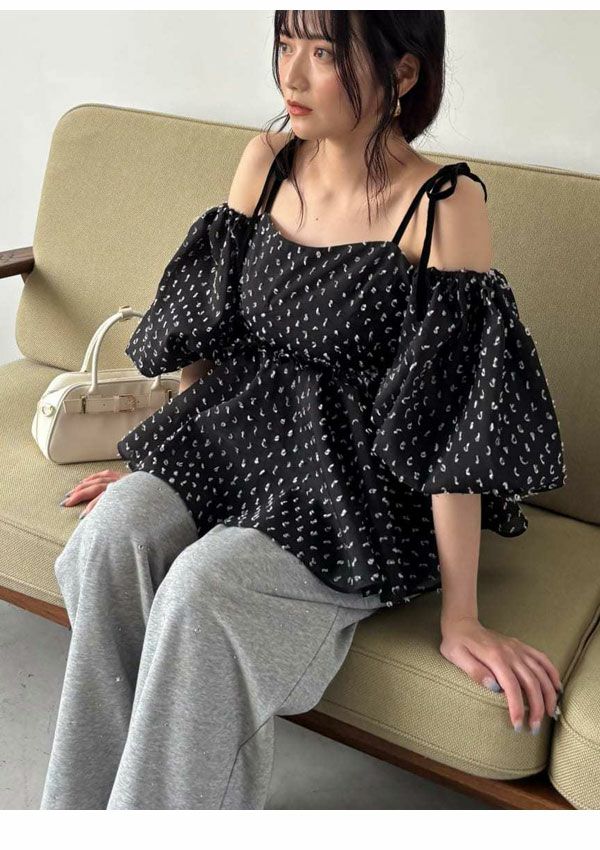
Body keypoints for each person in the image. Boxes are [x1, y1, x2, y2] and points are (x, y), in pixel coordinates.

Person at [41, 10, 566, 810]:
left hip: (350, 485)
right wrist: (162, 470)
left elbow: (451, 419)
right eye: (286, 43)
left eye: (324, 52)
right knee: (113, 536)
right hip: (231, 438)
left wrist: (461, 616)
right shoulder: (267, 160)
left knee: (203, 591)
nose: (291, 74)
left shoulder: (444, 205)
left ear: (403, 72)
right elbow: (209, 332)